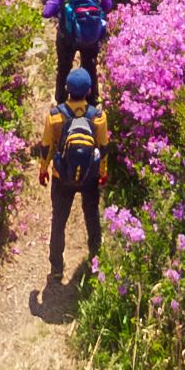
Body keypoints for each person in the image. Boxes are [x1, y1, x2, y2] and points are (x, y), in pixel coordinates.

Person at [44, 64, 110, 293]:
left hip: (62, 176)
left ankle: (56, 268)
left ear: (67, 89)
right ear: (89, 91)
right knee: (91, 215)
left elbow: (47, 147)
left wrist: (44, 169)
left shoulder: (55, 116)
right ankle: (95, 257)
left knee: (59, 220)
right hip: (90, 177)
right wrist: (103, 172)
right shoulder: (98, 117)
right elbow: (103, 147)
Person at [44, 0, 112, 90]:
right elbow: (108, 6)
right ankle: (92, 101)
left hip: (67, 38)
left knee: (64, 69)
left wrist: (59, 10)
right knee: (90, 67)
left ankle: (62, 102)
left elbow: (46, 13)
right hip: (92, 37)